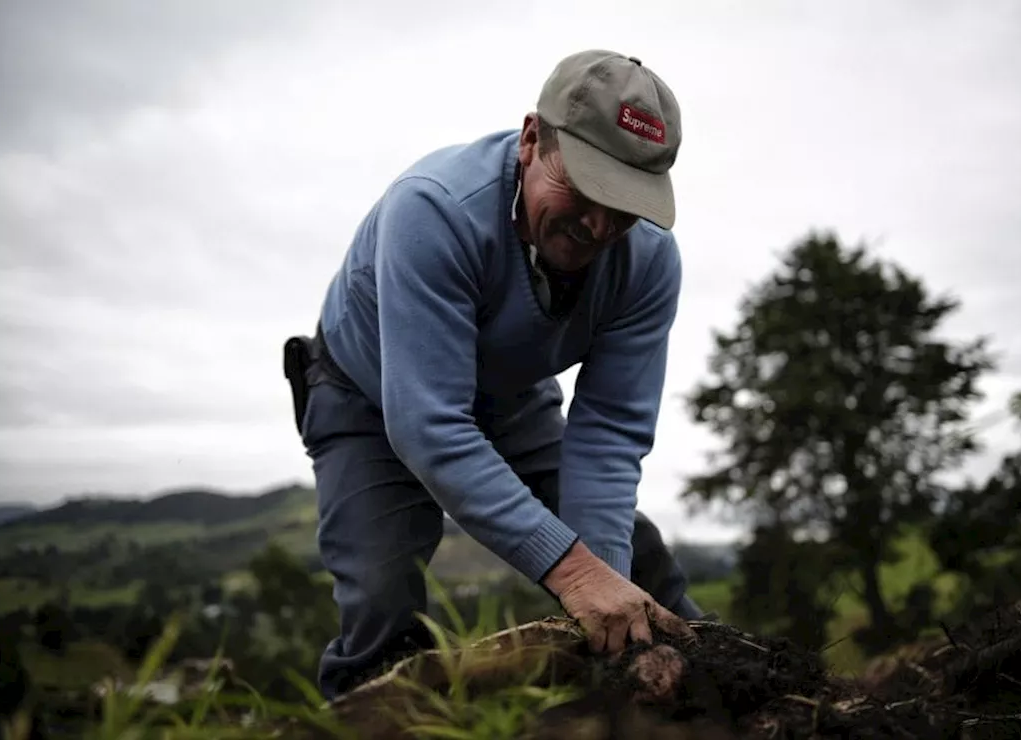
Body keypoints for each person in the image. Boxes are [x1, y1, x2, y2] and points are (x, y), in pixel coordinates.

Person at [282, 49, 706, 702]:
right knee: (381, 593)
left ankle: (708, 696)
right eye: (588, 190)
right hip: (367, 398)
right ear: (533, 140)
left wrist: (607, 597)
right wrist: (573, 574)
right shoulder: (435, 211)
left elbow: (611, 432)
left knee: (641, 574)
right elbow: (428, 425)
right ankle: (368, 712)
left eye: (624, 206)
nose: (598, 226)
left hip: (510, 399)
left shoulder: (646, 262)